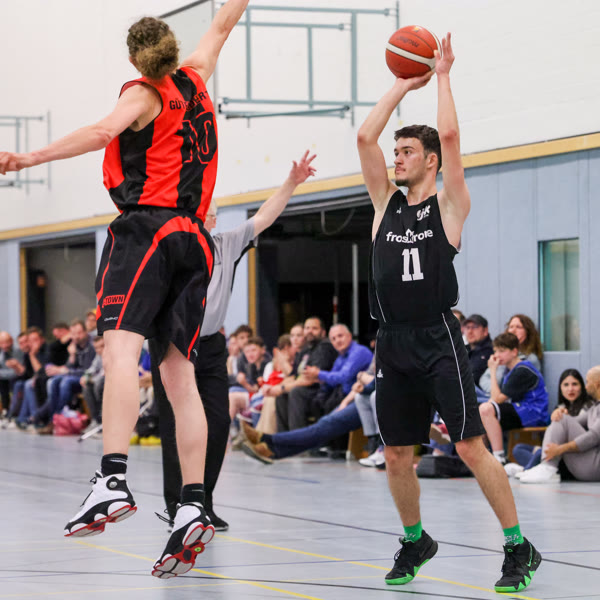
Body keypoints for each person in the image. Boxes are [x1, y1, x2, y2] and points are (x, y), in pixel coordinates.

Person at [1, 0, 250, 579]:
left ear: (136, 60)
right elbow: (223, 21)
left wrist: (28, 157)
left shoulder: (144, 93)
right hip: (195, 240)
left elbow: (100, 132)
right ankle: (192, 503)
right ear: (172, 48)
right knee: (179, 377)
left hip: (147, 231)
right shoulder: (196, 77)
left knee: (119, 352)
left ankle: (111, 478)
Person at [356, 33, 541, 593]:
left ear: (431, 161)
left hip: (437, 338)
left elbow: (453, 136)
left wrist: (440, 77)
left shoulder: (449, 205)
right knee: (396, 452)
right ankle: (415, 539)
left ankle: (518, 546)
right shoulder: (384, 203)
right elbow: (364, 136)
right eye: (397, 151)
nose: (397, 157)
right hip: (392, 341)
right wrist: (400, 83)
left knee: (468, 444)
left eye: (408, 151)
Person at [152, 151, 316, 533]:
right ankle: (178, 505)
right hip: (173, 344)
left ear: (211, 219)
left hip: (211, 345)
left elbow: (264, 217)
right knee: (176, 425)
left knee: (217, 421)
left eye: (208, 212)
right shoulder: (170, 248)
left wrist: (291, 182)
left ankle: (202, 501)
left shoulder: (225, 243)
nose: (203, 216)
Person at [505, 368, 595, 477]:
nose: (570, 389)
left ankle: (525, 470)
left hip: (574, 453)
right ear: (560, 388)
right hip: (557, 451)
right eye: (566, 385)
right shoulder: (559, 407)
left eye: (575, 384)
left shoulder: (589, 407)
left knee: (541, 453)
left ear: (582, 387)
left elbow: (588, 436)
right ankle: (531, 468)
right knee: (518, 449)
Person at [479, 333, 549, 464]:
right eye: (495, 351)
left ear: (514, 352)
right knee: (480, 411)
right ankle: (482, 456)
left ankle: (499, 457)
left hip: (533, 413)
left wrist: (493, 370)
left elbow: (497, 399)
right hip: (520, 410)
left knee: (486, 409)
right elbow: (496, 399)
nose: (497, 355)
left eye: (502, 351)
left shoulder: (523, 370)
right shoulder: (510, 370)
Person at [479, 314, 543, 396]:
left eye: (518, 327)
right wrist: (494, 390)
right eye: (511, 327)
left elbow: (509, 391)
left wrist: (498, 392)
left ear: (528, 332)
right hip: (492, 393)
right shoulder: (502, 355)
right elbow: (484, 379)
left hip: (509, 398)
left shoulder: (529, 359)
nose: (513, 330)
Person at [463, 314, 493, 386]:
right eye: (467, 327)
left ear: (485, 330)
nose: (470, 331)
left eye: (474, 327)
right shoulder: (462, 350)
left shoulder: (492, 351)